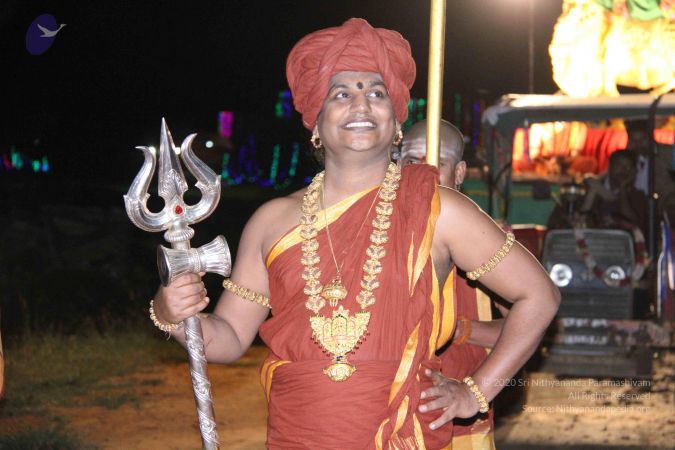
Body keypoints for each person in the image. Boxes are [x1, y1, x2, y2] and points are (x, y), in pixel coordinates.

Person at [151, 18, 560, 449]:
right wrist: (172, 314)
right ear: (315, 123)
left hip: (402, 435)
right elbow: (230, 339)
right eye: (342, 94)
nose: (362, 104)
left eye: (377, 93)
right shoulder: (271, 222)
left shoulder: (439, 209)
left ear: (396, 122)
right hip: (297, 436)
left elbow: (539, 296)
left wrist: (474, 393)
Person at [400, 119, 506, 448]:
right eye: (411, 161)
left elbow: (528, 323)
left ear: (459, 173)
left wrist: (461, 330)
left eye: (437, 164)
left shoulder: (484, 239)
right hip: (388, 411)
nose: (423, 174)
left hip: (456, 415)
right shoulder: (378, 233)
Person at [579, 149, 648, 235]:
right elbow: (581, 220)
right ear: (610, 166)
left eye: (628, 167)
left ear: (634, 172)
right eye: (619, 165)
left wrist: (622, 189)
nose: (624, 170)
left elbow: (633, 221)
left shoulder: (638, 195)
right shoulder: (593, 187)